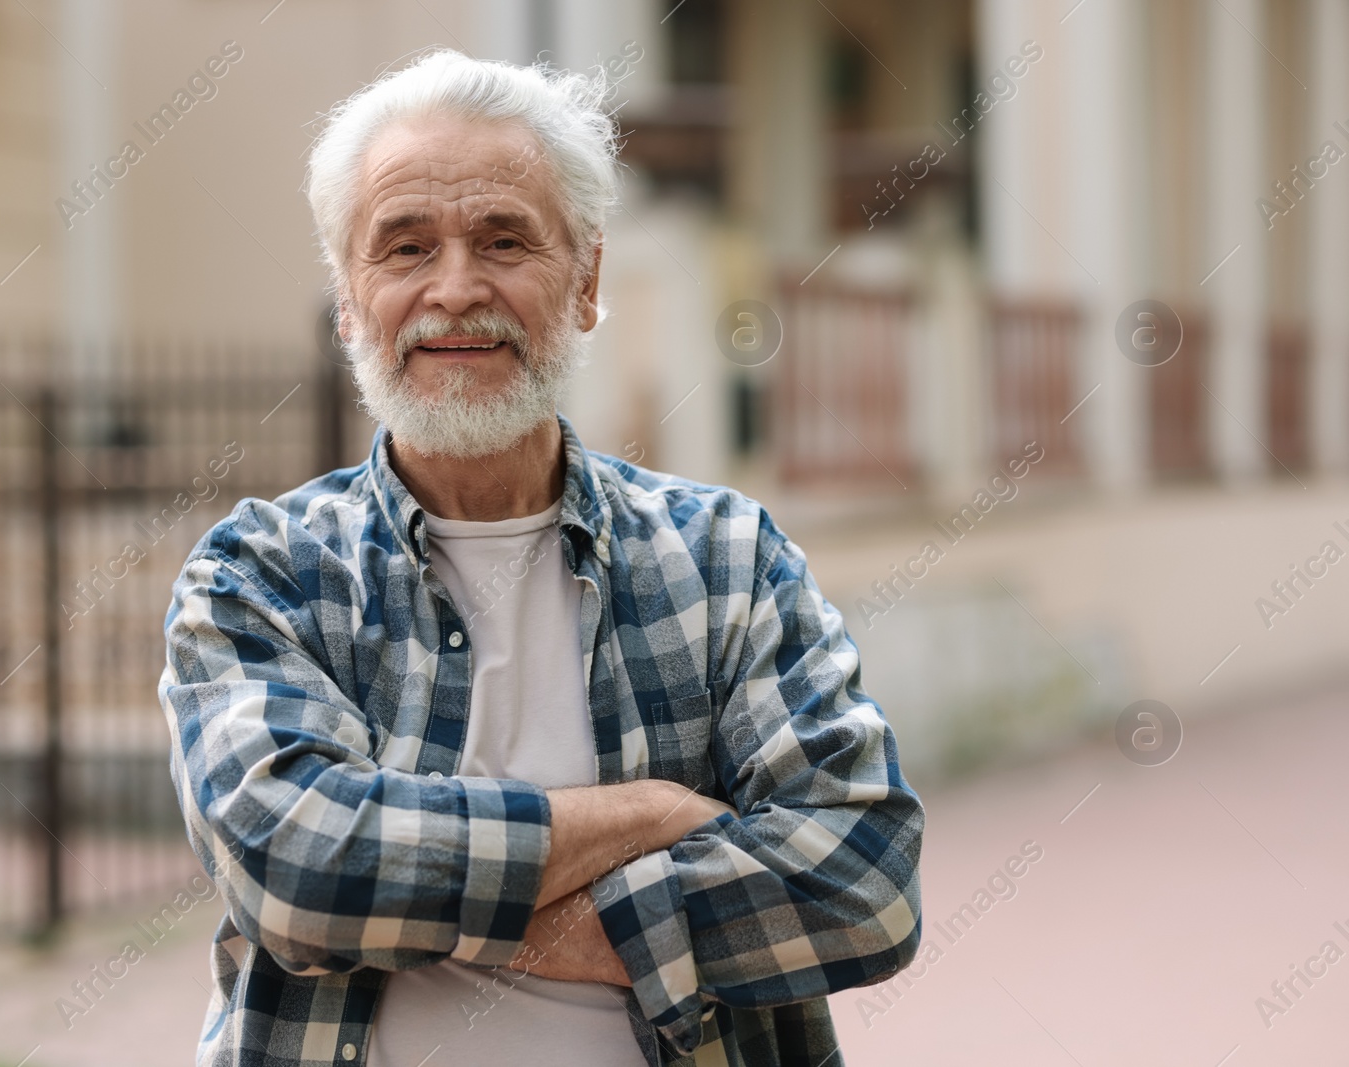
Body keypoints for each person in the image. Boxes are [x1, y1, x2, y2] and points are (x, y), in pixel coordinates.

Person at [159, 48, 923, 1067]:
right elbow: (297, 871)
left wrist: (442, 900)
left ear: (587, 277)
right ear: (349, 298)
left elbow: (862, 880)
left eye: (504, 239)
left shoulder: (727, 560)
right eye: (405, 247)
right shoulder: (261, 576)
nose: (456, 288)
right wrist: (650, 816)